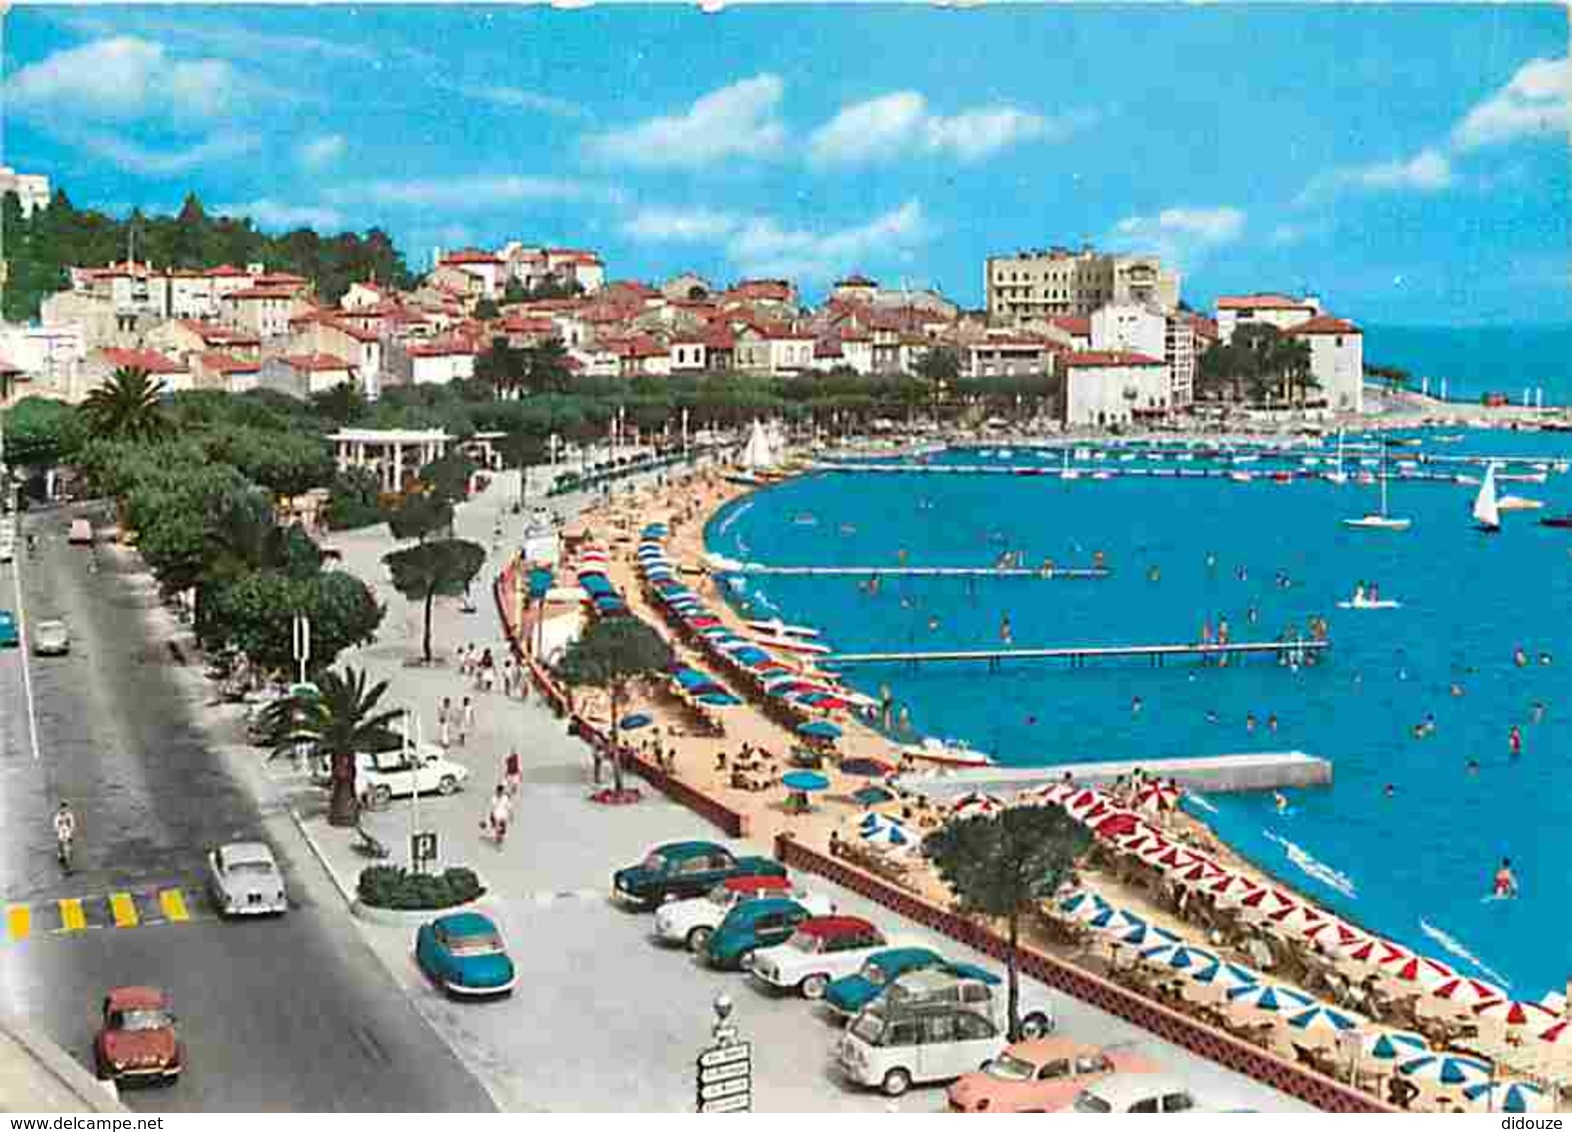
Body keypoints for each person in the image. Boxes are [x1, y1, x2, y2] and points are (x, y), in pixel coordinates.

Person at [53, 802, 76, 869]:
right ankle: (61, 856)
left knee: (68, 848)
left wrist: (70, 832)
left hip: (68, 833)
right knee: (61, 846)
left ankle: (68, 864)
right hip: (61, 833)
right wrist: (59, 830)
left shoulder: (69, 816)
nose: (64, 810)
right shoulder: (57, 817)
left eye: (66, 808)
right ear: (60, 809)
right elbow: (56, 825)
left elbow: (72, 824)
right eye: (63, 808)